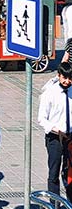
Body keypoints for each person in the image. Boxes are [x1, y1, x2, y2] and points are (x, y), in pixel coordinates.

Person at [38, 63, 72, 200]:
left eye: (70, 78)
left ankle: (70, 207)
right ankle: (54, 207)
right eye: (64, 78)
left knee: (69, 173)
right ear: (58, 76)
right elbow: (41, 118)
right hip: (55, 138)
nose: (67, 81)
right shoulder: (50, 93)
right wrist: (55, 129)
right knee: (54, 173)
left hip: (70, 137)